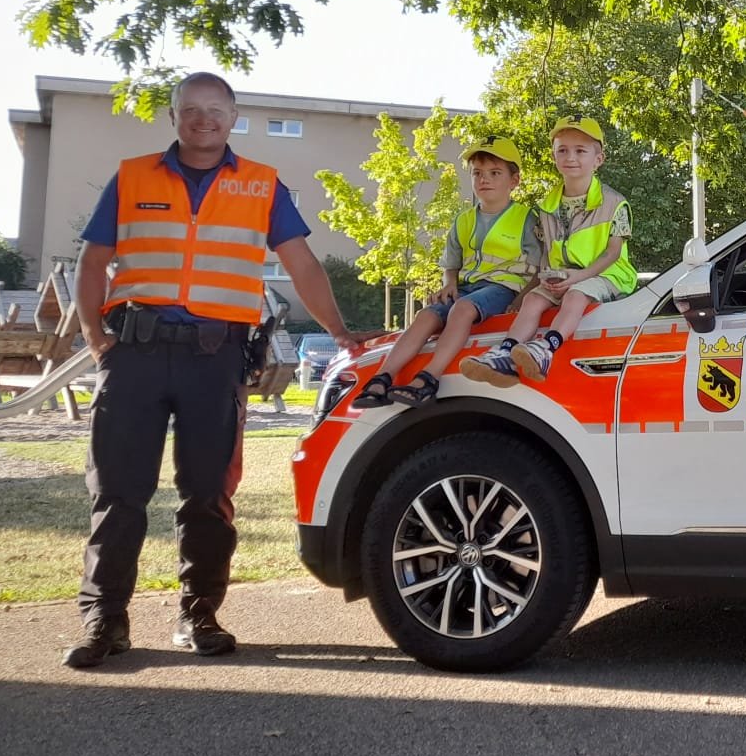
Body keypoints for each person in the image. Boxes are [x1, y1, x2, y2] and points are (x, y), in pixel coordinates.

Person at [64, 73, 364, 669]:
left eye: (215, 111)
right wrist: (97, 339)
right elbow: (92, 261)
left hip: (216, 358)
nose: (203, 120)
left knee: (208, 494)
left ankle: (198, 614)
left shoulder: (261, 184)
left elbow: (301, 264)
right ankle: (105, 619)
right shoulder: (132, 176)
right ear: (175, 116)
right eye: (191, 111)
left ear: (232, 116)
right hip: (135, 356)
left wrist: (338, 332)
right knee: (118, 494)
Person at [351, 138, 542, 408]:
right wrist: (448, 284)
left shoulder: (526, 218)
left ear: (514, 180)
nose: (484, 180)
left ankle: (429, 378)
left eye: (495, 173)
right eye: (477, 173)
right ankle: (381, 378)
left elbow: (540, 267)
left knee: (462, 310)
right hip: (466, 286)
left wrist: (521, 299)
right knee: (426, 315)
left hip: (503, 287)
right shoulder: (463, 220)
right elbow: (450, 263)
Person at [461, 118, 637, 386]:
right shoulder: (546, 205)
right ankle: (506, 353)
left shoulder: (614, 202)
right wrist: (537, 283)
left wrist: (578, 278)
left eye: (580, 151)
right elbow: (545, 253)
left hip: (606, 275)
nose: (571, 157)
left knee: (576, 296)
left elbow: (613, 253)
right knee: (533, 300)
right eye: (562, 150)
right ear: (554, 155)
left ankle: (546, 350)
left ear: (598, 159)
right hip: (562, 276)